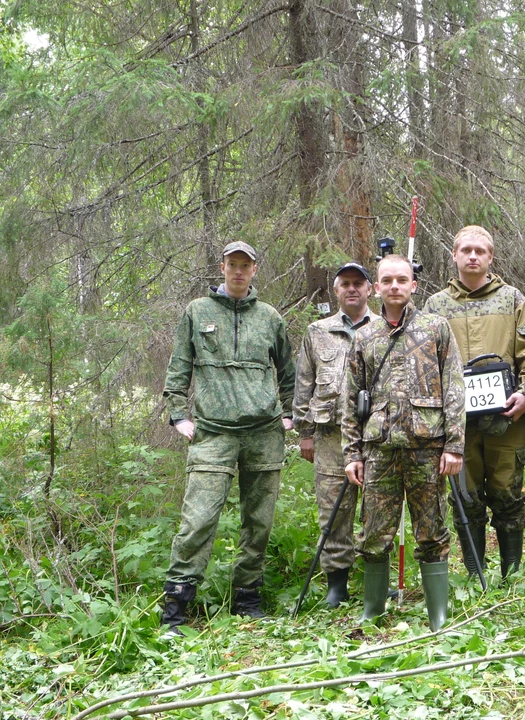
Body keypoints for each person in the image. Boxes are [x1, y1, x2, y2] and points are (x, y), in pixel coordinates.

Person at [161, 241, 295, 635]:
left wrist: (288, 414)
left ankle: (247, 599)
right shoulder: (197, 312)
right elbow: (179, 365)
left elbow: (288, 370)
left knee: (259, 521)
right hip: (212, 431)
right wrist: (176, 415)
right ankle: (176, 608)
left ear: (255, 270)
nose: (239, 271)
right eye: (232, 264)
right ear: (222, 267)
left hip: (263, 432)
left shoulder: (270, 317)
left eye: (246, 266)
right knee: (198, 519)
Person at [341, 254, 465, 631]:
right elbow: (350, 398)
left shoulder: (436, 328)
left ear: (414, 285)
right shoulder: (364, 337)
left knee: (432, 531)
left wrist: (455, 445)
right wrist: (352, 453)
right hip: (379, 450)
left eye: (402, 280)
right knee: (375, 532)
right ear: (376, 287)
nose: (394, 286)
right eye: (387, 280)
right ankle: (373, 610)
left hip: (427, 448)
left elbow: (455, 388)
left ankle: (437, 615)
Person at [423, 226, 525, 578]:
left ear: (491, 257)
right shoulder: (436, 305)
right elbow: (427, 363)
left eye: (480, 251)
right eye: (466, 250)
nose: (473, 256)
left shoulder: (513, 300)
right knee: (466, 495)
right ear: (455, 256)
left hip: (506, 418)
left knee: (508, 493)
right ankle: (476, 573)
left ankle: (512, 573)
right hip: (458, 425)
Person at [293, 262, 374, 608]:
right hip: (329, 435)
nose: (352, 289)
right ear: (336, 290)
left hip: (374, 435)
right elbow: (304, 383)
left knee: (377, 509)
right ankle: (336, 586)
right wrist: (305, 433)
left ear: (370, 289)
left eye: (359, 283)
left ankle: (375, 578)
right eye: (345, 284)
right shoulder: (317, 331)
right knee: (333, 510)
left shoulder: (384, 327)